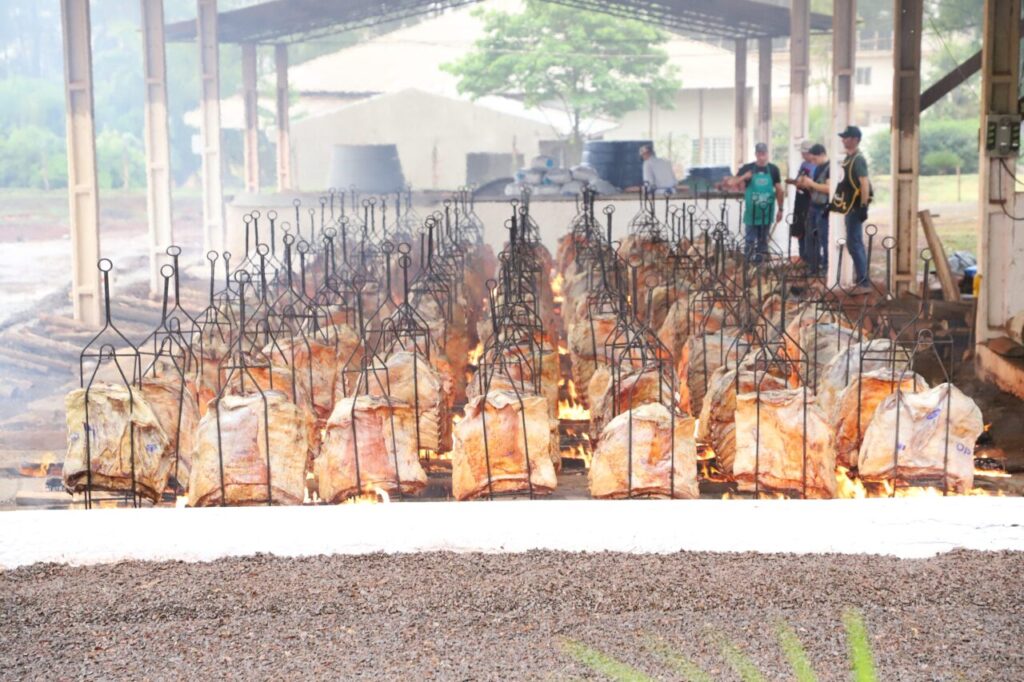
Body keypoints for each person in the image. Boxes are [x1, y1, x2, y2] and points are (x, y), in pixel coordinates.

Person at [724, 142, 784, 263]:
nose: (761, 156)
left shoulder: (773, 169)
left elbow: (779, 190)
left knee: (763, 242)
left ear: (767, 154)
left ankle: (760, 267)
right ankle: (747, 266)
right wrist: (743, 177)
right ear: (756, 154)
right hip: (751, 213)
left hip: (766, 213)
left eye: (764, 153)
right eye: (759, 154)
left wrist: (781, 209)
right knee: (749, 241)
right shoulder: (748, 168)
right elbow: (730, 183)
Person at [830, 125, 872, 291]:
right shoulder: (849, 158)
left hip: (855, 207)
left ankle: (864, 281)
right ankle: (861, 279)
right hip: (850, 207)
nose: (843, 140)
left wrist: (863, 206)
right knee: (853, 242)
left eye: (846, 137)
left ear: (855, 139)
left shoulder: (858, 159)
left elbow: (864, 182)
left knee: (854, 243)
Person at [797, 144, 830, 277]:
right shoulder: (817, 168)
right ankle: (813, 266)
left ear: (822, 154)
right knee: (810, 238)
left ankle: (827, 266)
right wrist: (806, 185)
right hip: (813, 205)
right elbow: (815, 188)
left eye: (815, 159)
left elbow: (829, 188)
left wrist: (812, 184)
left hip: (824, 207)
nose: (813, 162)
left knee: (824, 238)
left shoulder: (830, 168)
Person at [785, 141, 817, 263]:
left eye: (805, 153)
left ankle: (811, 259)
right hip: (800, 200)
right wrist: (793, 182)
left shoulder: (816, 167)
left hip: (810, 200)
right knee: (799, 228)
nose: (803, 156)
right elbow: (799, 180)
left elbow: (812, 185)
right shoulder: (803, 164)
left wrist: (803, 184)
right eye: (803, 153)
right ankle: (802, 256)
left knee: (809, 229)